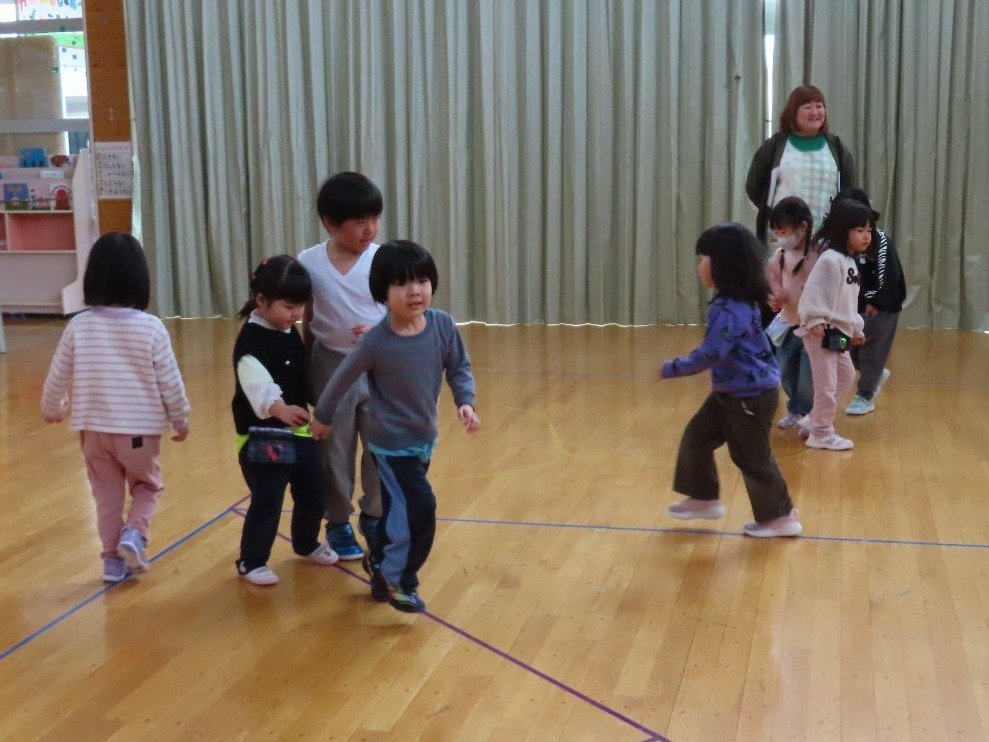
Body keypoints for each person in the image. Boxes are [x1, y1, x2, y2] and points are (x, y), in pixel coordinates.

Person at [311, 240, 481, 612]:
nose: (414, 290)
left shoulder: (442, 325)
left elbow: (459, 367)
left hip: (424, 439)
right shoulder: (376, 341)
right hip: (389, 444)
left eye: (421, 280)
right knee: (420, 507)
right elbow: (341, 378)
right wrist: (323, 417)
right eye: (402, 283)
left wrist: (465, 401)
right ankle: (399, 579)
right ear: (382, 293)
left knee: (397, 511)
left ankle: (379, 561)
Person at [41, 232, 191, 583]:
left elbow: (58, 375)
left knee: (106, 498)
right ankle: (134, 534)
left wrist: (53, 407)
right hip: (139, 433)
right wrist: (180, 418)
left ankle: (111, 562)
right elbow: (170, 382)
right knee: (147, 487)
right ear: (141, 280)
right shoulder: (151, 328)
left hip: (94, 432)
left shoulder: (79, 325)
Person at [661, 223, 801, 538]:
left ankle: (780, 517)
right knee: (697, 438)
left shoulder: (730, 308)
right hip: (731, 392)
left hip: (749, 396)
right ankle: (703, 498)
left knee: (751, 456)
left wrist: (674, 368)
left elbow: (712, 353)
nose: (699, 265)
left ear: (723, 264)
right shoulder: (734, 301)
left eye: (703, 258)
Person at [232, 255, 340, 586]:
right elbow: (256, 383)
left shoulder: (287, 330)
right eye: (289, 307)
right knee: (268, 496)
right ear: (262, 301)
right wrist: (279, 408)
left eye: (301, 306)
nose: (297, 314)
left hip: (298, 431)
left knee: (314, 487)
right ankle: (251, 561)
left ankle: (306, 541)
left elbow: (301, 373)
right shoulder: (251, 340)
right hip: (262, 434)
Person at [299, 172, 387, 561]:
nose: (370, 229)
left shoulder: (384, 260)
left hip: (381, 367)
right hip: (330, 365)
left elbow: (403, 312)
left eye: (375, 218)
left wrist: (381, 332)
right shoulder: (309, 262)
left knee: (382, 446)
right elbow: (309, 317)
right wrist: (306, 365)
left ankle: (375, 514)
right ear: (330, 223)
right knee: (333, 449)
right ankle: (336, 520)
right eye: (359, 221)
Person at [796, 200, 871, 450]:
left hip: (838, 333)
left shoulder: (849, 261)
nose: (866, 236)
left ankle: (815, 420)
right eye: (859, 230)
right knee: (826, 384)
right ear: (843, 229)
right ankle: (821, 432)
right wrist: (815, 319)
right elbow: (814, 292)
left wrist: (856, 328)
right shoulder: (830, 260)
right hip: (822, 332)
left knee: (846, 376)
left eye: (869, 230)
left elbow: (847, 302)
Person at [746, 85, 857, 244]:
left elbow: (849, 191)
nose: (815, 112)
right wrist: (777, 212)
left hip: (825, 240)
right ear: (793, 113)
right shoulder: (774, 146)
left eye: (819, 106)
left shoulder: (837, 147)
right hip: (781, 239)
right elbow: (754, 187)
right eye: (808, 107)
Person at [838, 189, 906, 415]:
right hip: (853, 306)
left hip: (881, 306)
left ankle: (865, 395)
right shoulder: (838, 245)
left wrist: (874, 301)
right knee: (847, 350)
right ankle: (876, 373)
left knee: (871, 351)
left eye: (867, 228)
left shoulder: (880, 241)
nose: (866, 234)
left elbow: (888, 277)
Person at [766, 196, 820, 429]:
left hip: (813, 327)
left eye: (783, 232)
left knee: (809, 375)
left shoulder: (820, 253)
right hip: (788, 322)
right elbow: (771, 277)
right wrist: (773, 295)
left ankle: (808, 413)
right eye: (776, 233)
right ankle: (795, 409)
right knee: (784, 369)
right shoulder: (780, 255)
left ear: (803, 227)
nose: (780, 237)